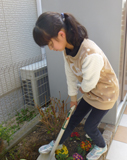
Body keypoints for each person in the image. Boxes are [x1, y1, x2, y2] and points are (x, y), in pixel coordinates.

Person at [33, 12, 119, 160]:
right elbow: (70, 75)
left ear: (61, 34)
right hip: (91, 92)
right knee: (72, 119)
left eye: (51, 44)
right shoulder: (67, 50)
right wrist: (73, 98)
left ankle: (101, 146)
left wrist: (82, 89)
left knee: (90, 127)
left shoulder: (90, 54)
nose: (51, 48)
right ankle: (57, 143)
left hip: (106, 95)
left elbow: (89, 83)